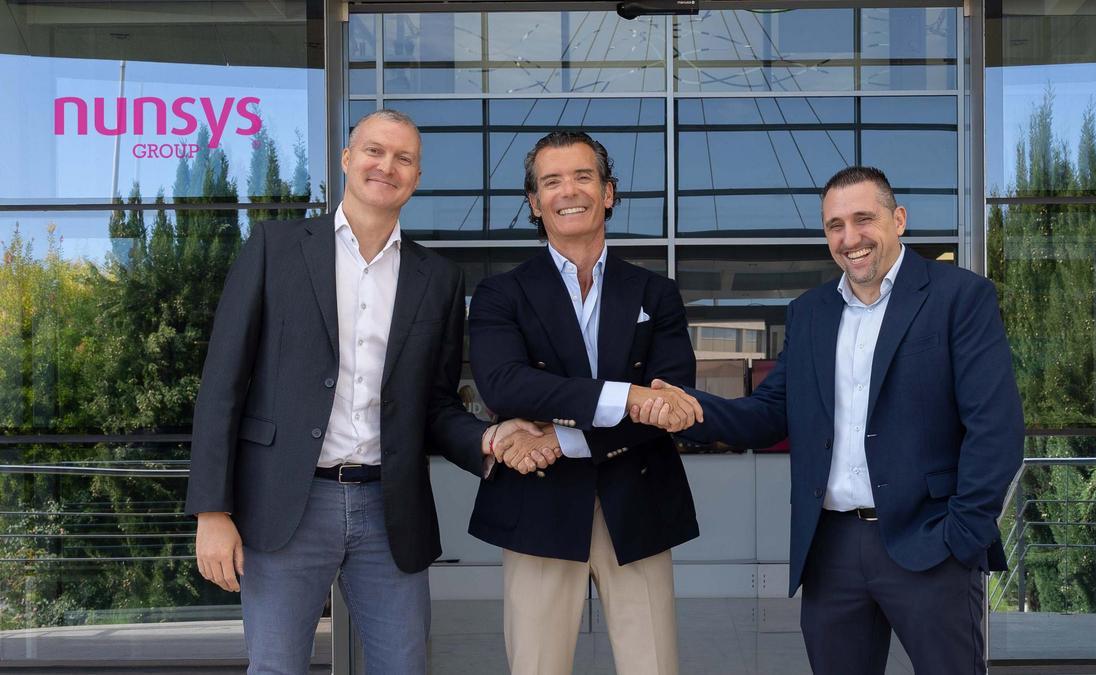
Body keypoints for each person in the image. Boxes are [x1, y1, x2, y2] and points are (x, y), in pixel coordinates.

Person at [184, 110, 547, 674]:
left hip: (390, 508)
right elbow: (222, 384)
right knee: (275, 667)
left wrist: (491, 437)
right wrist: (212, 509)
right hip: (285, 504)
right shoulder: (275, 248)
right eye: (375, 151)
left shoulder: (438, 278)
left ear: (416, 177)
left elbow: (435, 405)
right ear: (347, 159)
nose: (387, 166)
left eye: (404, 158)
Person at [635, 166, 1024, 675]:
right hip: (832, 549)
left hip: (932, 540)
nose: (850, 238)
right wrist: (690, 409)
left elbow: (995, 428)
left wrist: (962, 535)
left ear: (898, 219)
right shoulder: (810, 312)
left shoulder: (960, 296)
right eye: (834, 225)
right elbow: (770, 412)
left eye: (863, 219)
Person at [467, 131, 703, 675]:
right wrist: (626, 396)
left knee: (653, 667)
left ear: (608, 192)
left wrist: (562, 436)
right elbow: (505, 386)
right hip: (538, 507)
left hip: (639, 503)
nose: (568, 191)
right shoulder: (501, 294)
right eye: (551, 181)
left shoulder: (655, 293)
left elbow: (669, 403)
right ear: (534, 202)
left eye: (582, 176)